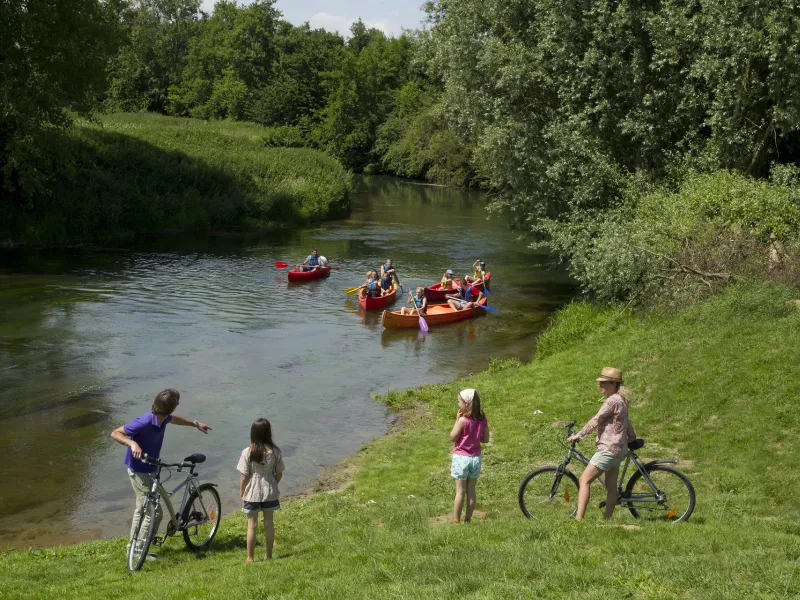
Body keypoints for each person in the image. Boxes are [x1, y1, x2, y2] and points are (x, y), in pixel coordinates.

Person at [110, 389, 211, 559]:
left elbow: (175, 419)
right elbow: (115, 433)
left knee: (142, 509)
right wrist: (132, 444)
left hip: (151, 468)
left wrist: (195, 423)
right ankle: (138, 551)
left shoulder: (163, 417)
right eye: (177, 402)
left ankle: (134, 547)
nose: (178, 405)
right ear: (171, 407)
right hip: (139, 471)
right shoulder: (144, 421)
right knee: (153, 512)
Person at [568, 367, 637, 521]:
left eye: (604, 383)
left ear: (614, 384)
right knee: (611, 487)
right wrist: (632, 438)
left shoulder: (612, 401)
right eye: (600, 383)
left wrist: (579, 435)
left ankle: (578, 520)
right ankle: (607, 520)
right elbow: (627, 422)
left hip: (608, 449)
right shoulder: (621, 400)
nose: (600, 386)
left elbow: (596, 419)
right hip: (619, 449)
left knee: (584, 480)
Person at [237, 418, 284, 563]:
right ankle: (268, 555)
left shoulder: (248, 451)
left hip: (252, 492)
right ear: (268, 432)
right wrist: (272, 483)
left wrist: (242, 491)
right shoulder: (275, 451)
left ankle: (250, 557)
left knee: (252, 525)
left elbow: (244, 475)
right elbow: (279, 473)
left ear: (253, 433)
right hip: (269, 490)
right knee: (269, 523)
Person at [449, 388, 490, 523]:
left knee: (460, 491)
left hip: (461, 458)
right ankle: (468, 519)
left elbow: (453, 437)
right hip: (475, 458)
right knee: (471, 490)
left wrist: (457, 420)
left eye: (459, 401)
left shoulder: (463, 421)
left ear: (466, 403)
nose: (458, 404)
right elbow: (485, 439)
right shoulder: (482, 419)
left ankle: (456, 520)